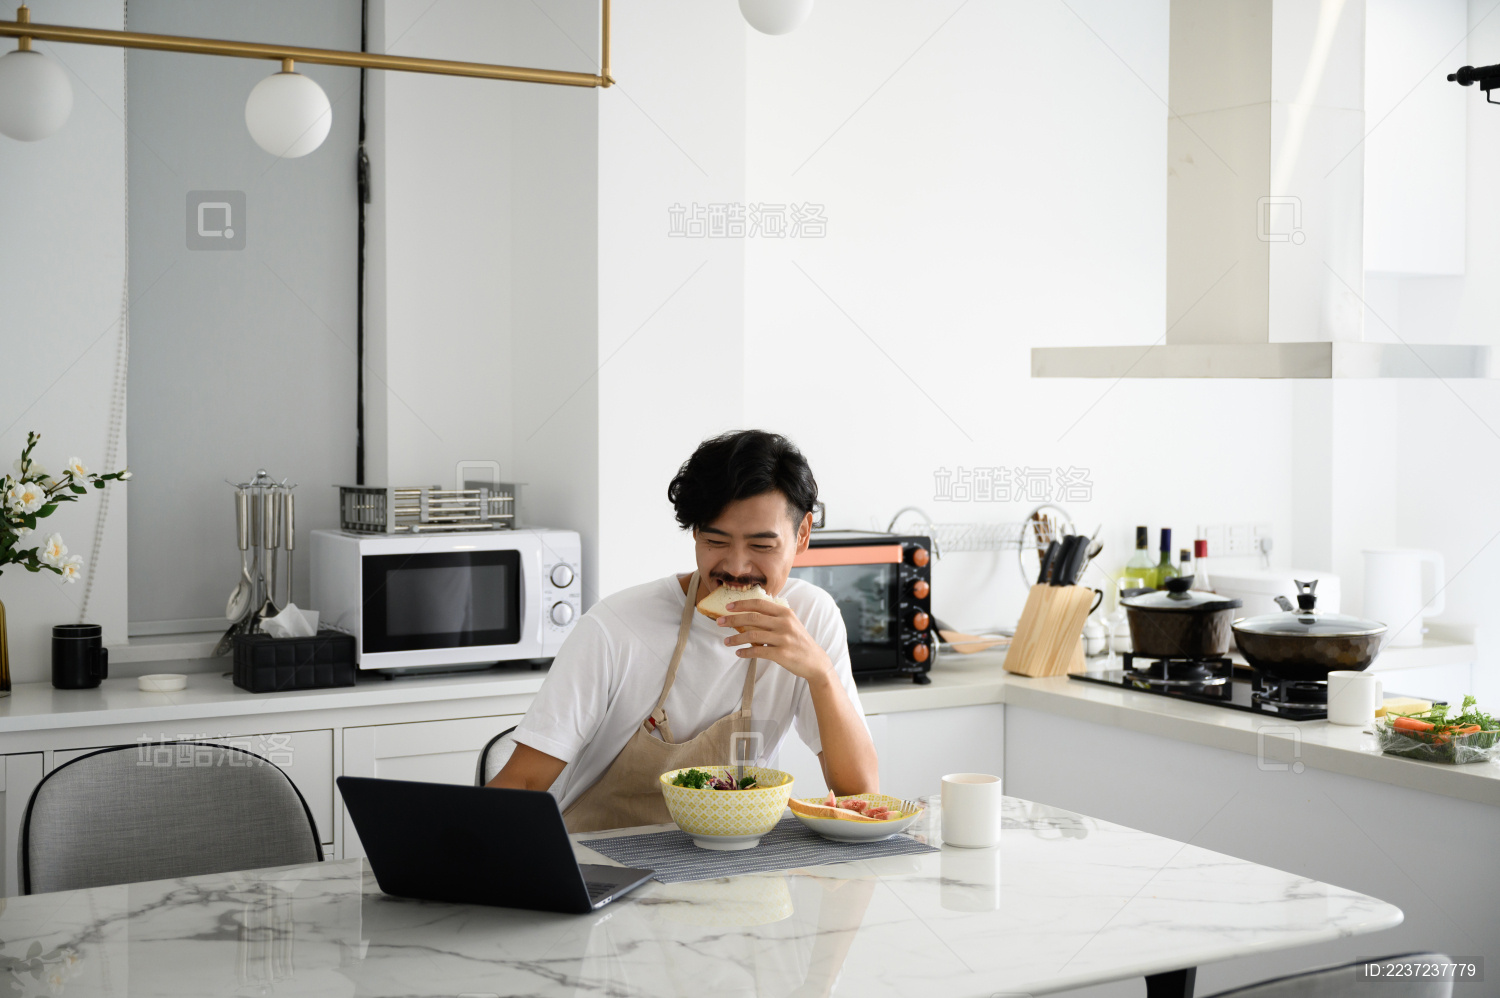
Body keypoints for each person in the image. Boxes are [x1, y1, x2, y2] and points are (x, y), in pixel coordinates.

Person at [489, 430, 878, 831]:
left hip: (734, 863)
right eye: (715, 540)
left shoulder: (812, 616)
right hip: (600, 860)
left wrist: (821, 673)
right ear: (694, 532)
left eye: (762, 546)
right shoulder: (613, 628)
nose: (737, 567)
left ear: (802, 535)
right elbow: (523, 781)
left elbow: (860, 794)